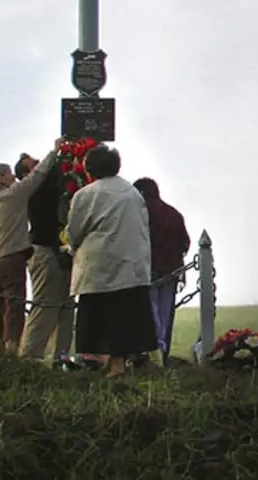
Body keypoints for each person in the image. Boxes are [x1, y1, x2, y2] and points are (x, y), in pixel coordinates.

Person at [64, 144, 159, 378]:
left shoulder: (86, 195)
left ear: (89, 170)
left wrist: (69, 248)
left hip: (100, 267)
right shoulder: (132, 193)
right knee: (124, 318)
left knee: (103, 318)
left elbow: (74, 232)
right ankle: (119, 362)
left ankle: (112, 365)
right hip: (132, 266)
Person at [0, 139, 63, 358]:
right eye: (8, 173)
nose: (13, 177)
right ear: (0, 178)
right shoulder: (13, 195)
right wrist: (54, 152)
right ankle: (12, 351)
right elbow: (36, 176)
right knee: (15, 305)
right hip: (12, 257)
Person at [14, 153, 75, 363]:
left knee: (66, 307)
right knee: (44, 306)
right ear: (26, 174)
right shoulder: (34, 190)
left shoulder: (45, 188)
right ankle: (30, 357)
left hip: (57, 250)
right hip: (44, 250)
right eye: (33, 163)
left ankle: (61, 357)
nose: (39, 163)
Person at [132, 177, 190, 363]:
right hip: (171, 270)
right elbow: (185, 243)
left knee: (151, 311)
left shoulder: (140, 215)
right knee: (165, 312)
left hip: (147, 268)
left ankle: (153, 350)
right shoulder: (174, 214)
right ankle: (163, 351)